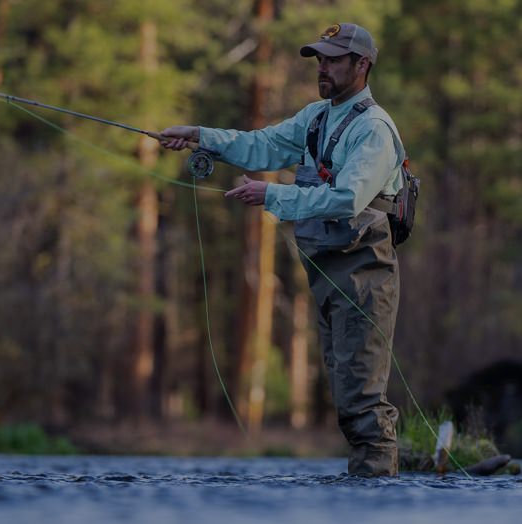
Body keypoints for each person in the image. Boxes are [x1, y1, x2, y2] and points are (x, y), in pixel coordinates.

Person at [160, 23, 404, 477]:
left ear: (362, 65)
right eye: (319, 59)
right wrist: (200, 135)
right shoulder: (315, 117)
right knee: (347, 392)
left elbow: (347, 199)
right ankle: (365, 495)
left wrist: (272, 196)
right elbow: (263, 146)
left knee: (363, 401)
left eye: (333, 59)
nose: (322, 68)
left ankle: (378, 500)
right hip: (329, 274)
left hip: (365, 275)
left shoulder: (373, 130)